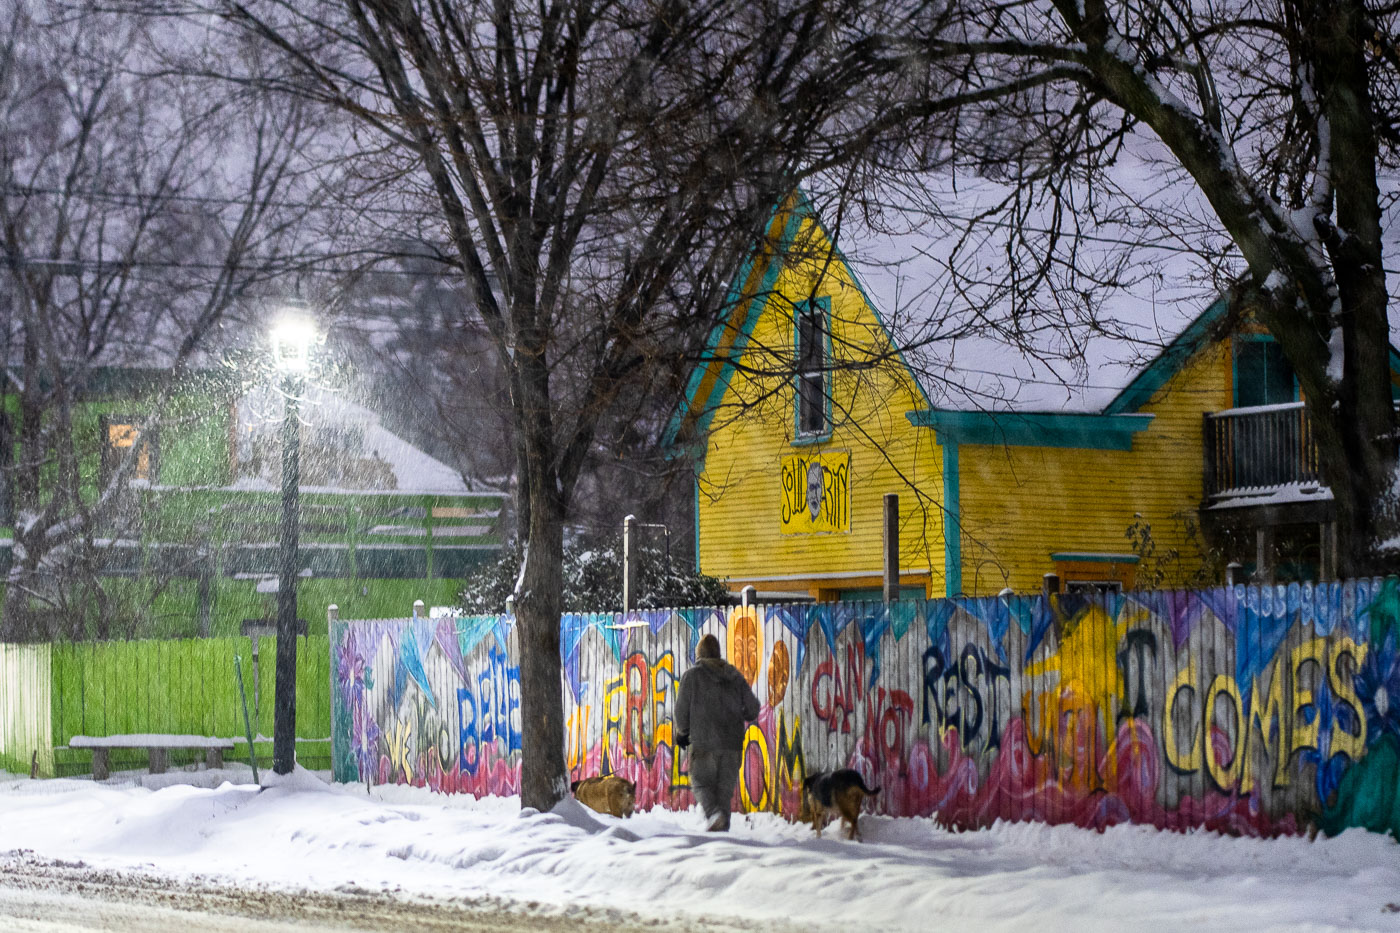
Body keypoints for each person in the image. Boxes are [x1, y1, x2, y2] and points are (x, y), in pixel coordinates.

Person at [674, 633, 761, 831]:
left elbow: (681, 710)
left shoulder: (692, 676)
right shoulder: (734, 676)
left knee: (701, 784)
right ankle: (722, 838)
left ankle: (714, 815)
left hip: (704, 744)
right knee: (723, 795)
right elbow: (753, 708)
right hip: (732, 746)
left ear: (699, 654)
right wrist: (738, 714)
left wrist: (682, 733)